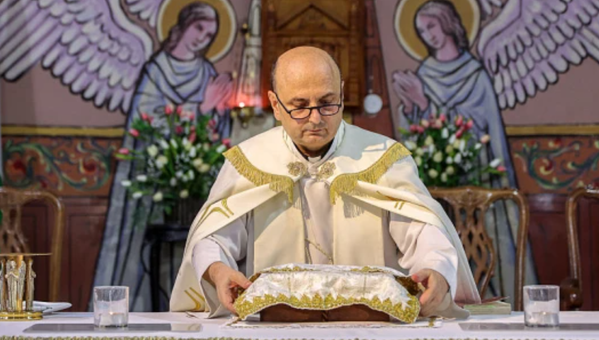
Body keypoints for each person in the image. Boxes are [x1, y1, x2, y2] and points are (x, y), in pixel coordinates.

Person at [170, 46, 480, 318]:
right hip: (277, 327)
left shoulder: (382, 158)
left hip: (370, 324)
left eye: (327, 103)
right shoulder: (249, 162)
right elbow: (213, 239)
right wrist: (218, 270)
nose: (316, 119)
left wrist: (437, 268)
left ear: (343, 96)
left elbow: (423, 232)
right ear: (276, 105)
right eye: (300, 106)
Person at [392, 0, 536, 301]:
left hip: (478, 178)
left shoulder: (476, 75)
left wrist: (425, 105)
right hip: (440, 187)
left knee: (489, 250)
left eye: (431, 25)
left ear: (447, 22)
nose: (427, 34)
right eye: (420, 30)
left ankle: (494, 296)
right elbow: (419, 130)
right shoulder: (426, 73)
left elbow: (476, 127)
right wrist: (412, 108)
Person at [94, 1, 233, 309]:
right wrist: (202, 108)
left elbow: (213, 130)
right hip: (153, 184)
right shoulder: (156, 70)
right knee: (139, 252)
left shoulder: (205, 71)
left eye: (210, 35)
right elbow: (146, 120)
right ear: (183, 25)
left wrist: (219, 113)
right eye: (199, 28)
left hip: (189, 189)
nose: (202, 38)